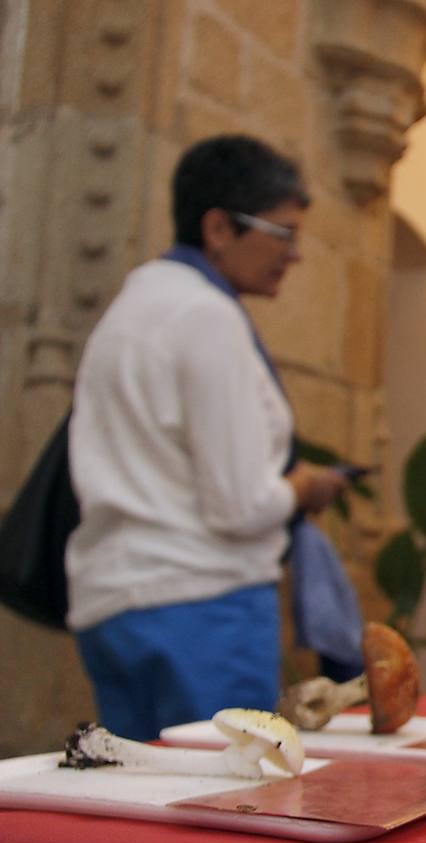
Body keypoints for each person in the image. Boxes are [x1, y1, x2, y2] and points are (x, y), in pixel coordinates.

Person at [65, 135, 348, 740]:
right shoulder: (206, 316)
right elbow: (240, 504)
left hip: (117, 605)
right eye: (283, 233)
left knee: (147, 811)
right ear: (219, 228)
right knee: (225, 810)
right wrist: (301, 487)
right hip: (202, 605)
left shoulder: (133, 306)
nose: (295, 254)